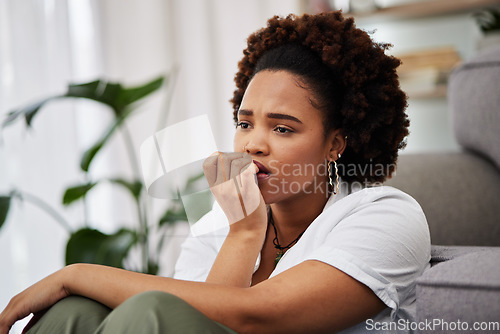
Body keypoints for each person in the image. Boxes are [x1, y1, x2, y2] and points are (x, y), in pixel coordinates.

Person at [0, 11, 430, 334]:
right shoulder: (214, 225)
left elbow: (252, 316)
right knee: (73, 312)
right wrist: (238, 235)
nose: (252, 143)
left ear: (335, 143)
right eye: (245, 123)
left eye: (282, 128)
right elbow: (199, 321)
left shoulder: (387, 216)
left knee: (146, 312)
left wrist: (74, 273)